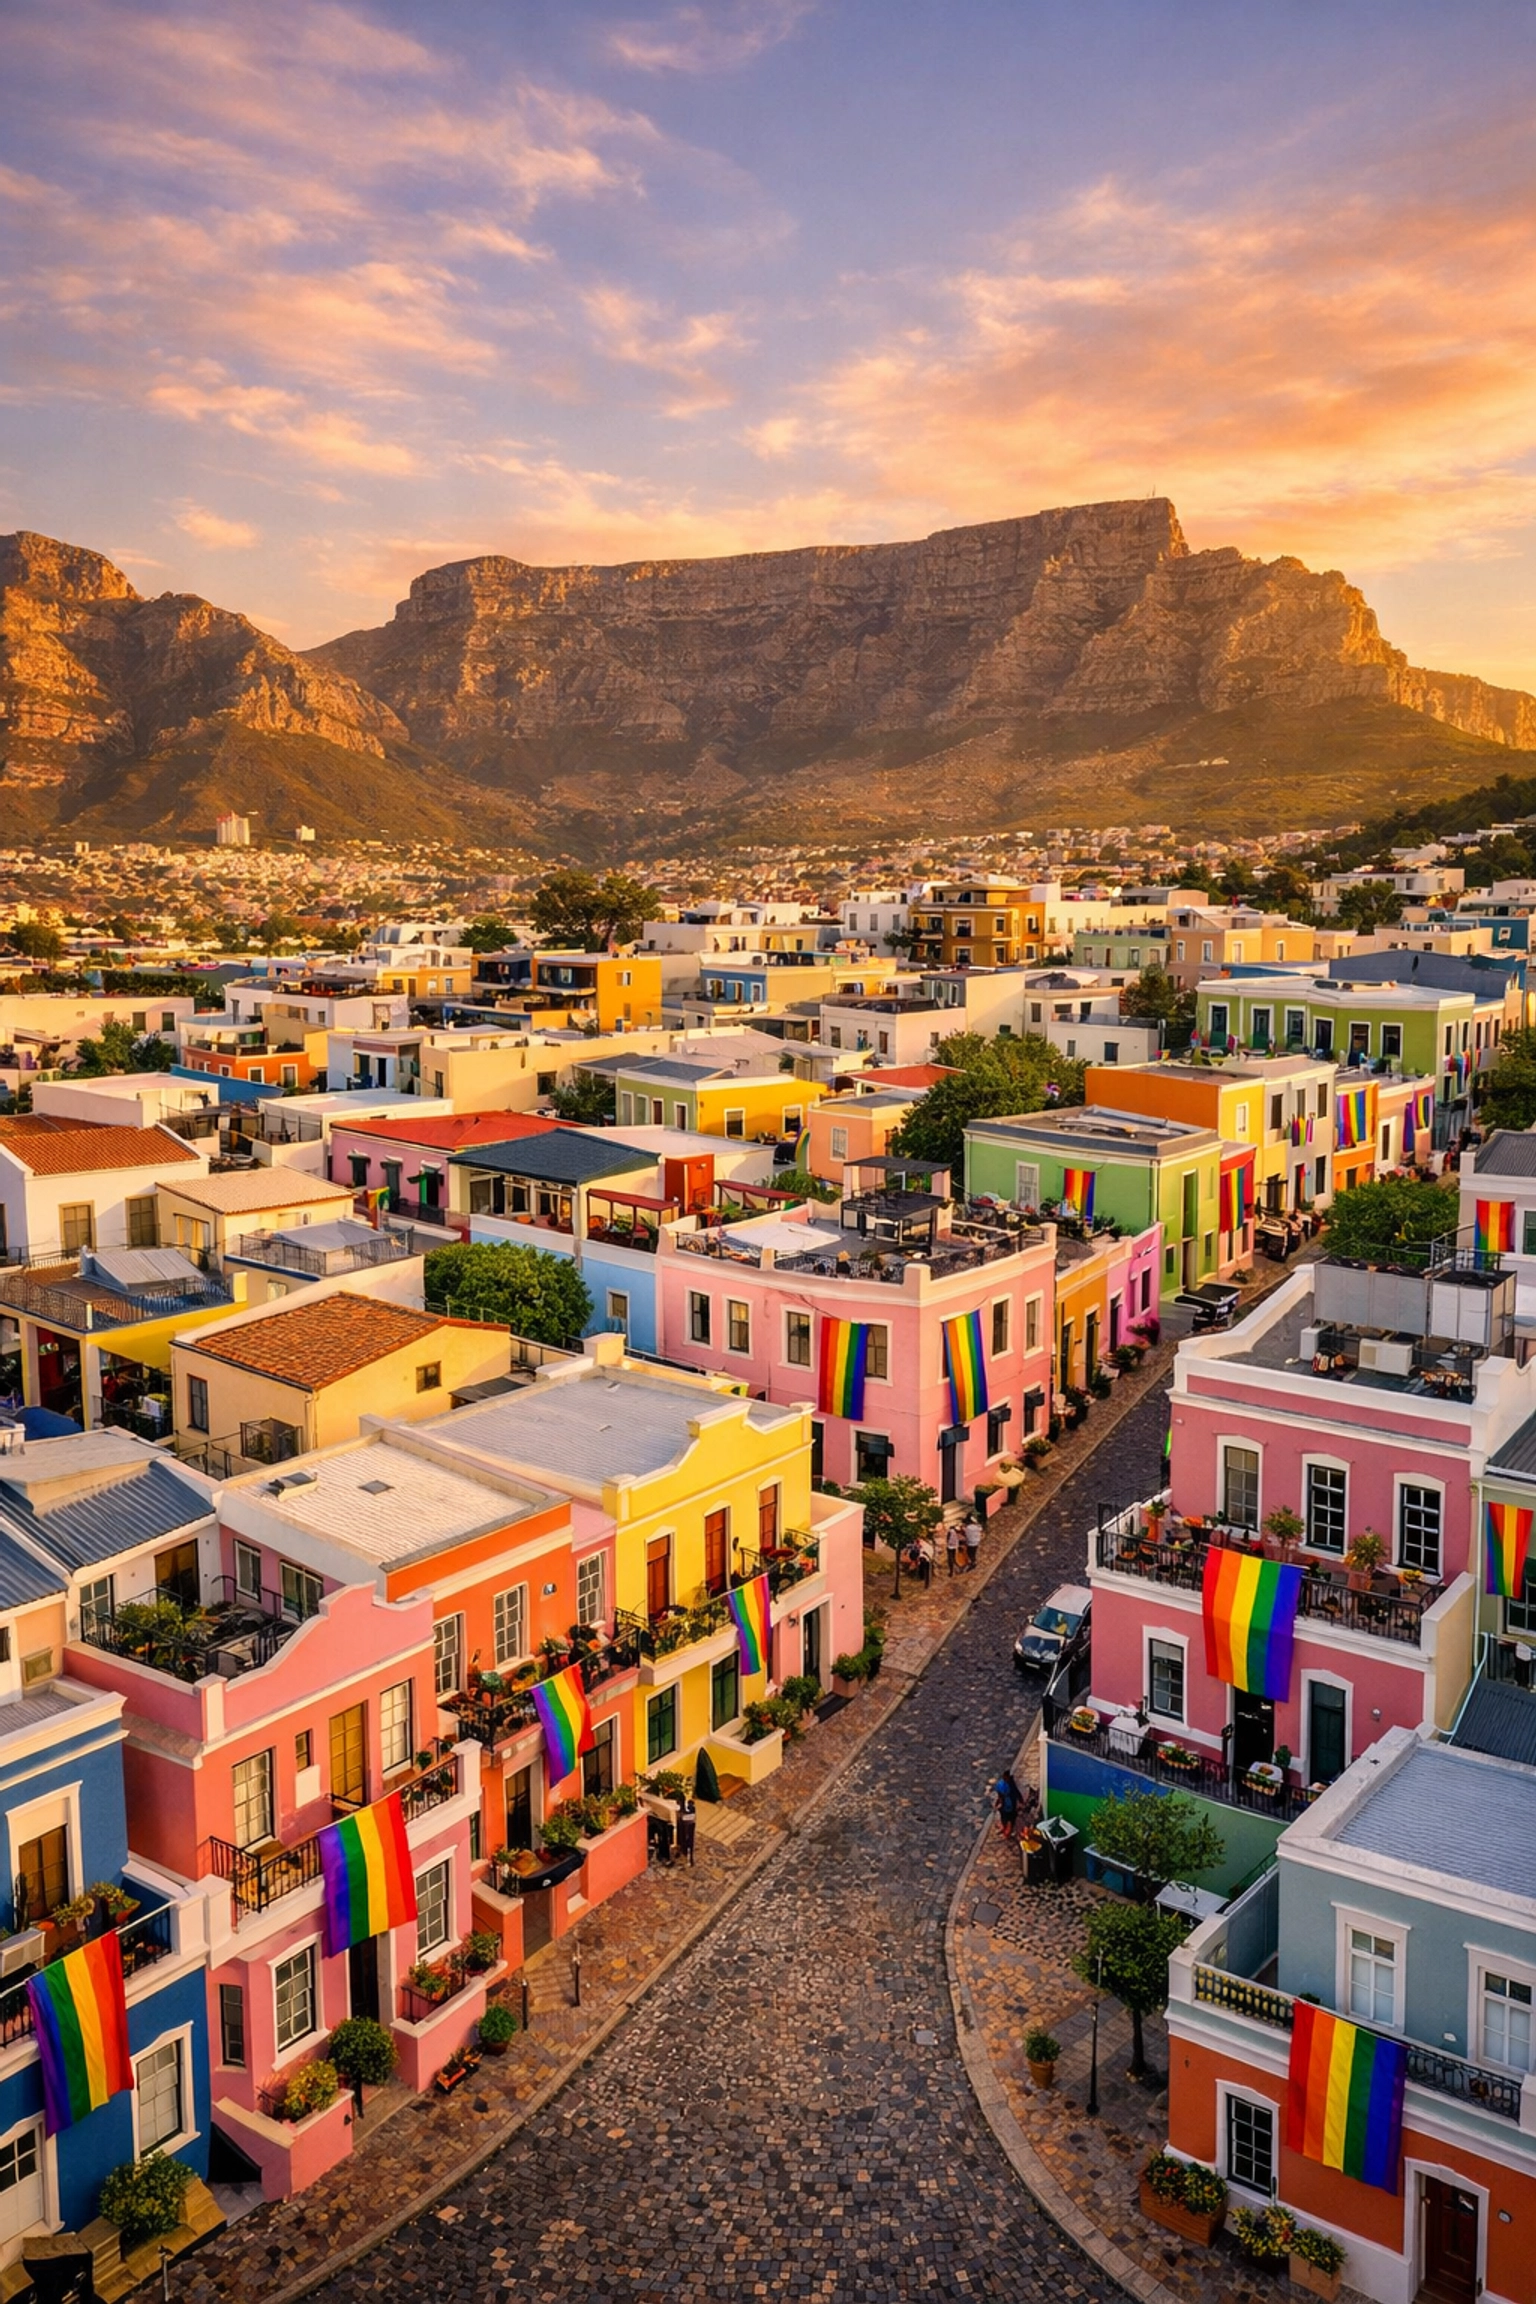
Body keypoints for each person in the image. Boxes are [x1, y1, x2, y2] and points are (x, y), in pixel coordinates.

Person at [992, 1770, 1021, 1837]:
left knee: (1011, 1818)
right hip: (1004, 1804)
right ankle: (1004, 1827)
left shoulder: (1011, 1784)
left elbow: (1016, 1792)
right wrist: (998, 1802)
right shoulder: (1000, 1784)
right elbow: (999, 1794)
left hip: (1011, 1804)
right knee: (1003, 1816)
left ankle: (1009, 1830)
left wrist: (1020, 1800)